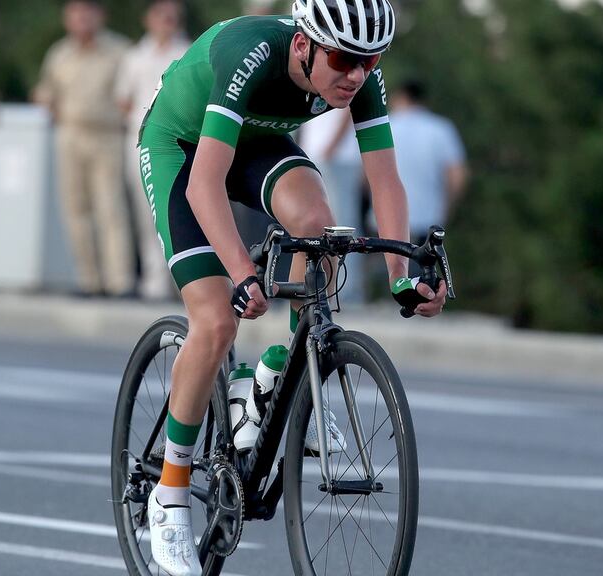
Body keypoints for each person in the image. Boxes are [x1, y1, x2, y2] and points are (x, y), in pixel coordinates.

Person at [135, 1, 446, 573]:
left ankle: (271, 374)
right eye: (342, 59)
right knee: (216, 319)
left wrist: (402, 276)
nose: (354, 75)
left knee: (321, 231)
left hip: (253, 146)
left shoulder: (360, 79)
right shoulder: (250, 53)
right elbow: (205, 184)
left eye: (368, 61)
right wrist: (240, 273)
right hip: (182, 150)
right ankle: (170, 490)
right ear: (303, 45)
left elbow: (385, 178)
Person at [34, 0, 133, 297]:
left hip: (107, 135)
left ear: (100, 15)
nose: (82, 18)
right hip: (70, 134)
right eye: (75, 12)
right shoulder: (60, 53)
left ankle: (119, 281)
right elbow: (46, 91)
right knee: (75, 209)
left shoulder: (120, 51)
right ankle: (89, 280)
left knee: (110, 208)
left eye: (88, 11)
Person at [115, 0, 190, 301]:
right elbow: (123, 99)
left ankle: (183, 280)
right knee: (145, 213)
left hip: (179, 144)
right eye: (161, 15)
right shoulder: (134, 57)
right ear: (149, 18)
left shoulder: (187, 51)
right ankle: (153, 280)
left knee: (180, 211)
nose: (167, 20)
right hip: (140, 142)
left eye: (172, 15)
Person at [389, 79, 468, 249]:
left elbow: (364, 175)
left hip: (385, 220)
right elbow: (457, 176)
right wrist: (446, 209)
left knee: (387, 273)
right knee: (423, 273)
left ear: (399, 96)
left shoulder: (385, 126)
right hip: (428, 220)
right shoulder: (441, 128)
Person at [297, 106, 365, 303]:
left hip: (337, 159)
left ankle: (347, 291)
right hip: (316, 158)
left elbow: (351, 109)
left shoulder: (345, 78)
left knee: (343, 225)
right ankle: (320, 286)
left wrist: (331, 148)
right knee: (317, 226)